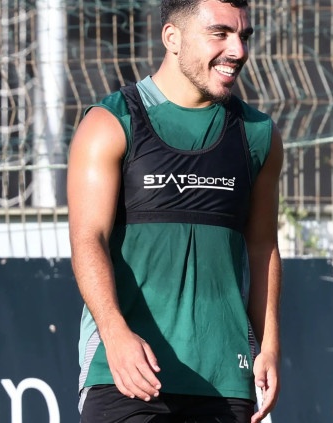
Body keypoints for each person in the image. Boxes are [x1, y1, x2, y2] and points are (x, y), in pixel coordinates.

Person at [67, 1, 282, 422]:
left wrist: (270, 346)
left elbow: (263, 249)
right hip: (125, 374)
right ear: (172, 37)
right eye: (220, 34)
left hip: (225, 379)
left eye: (244, 36)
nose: (238, 50)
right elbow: (87, 238)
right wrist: (114, 333)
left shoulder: (259, 134)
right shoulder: (111, 122)